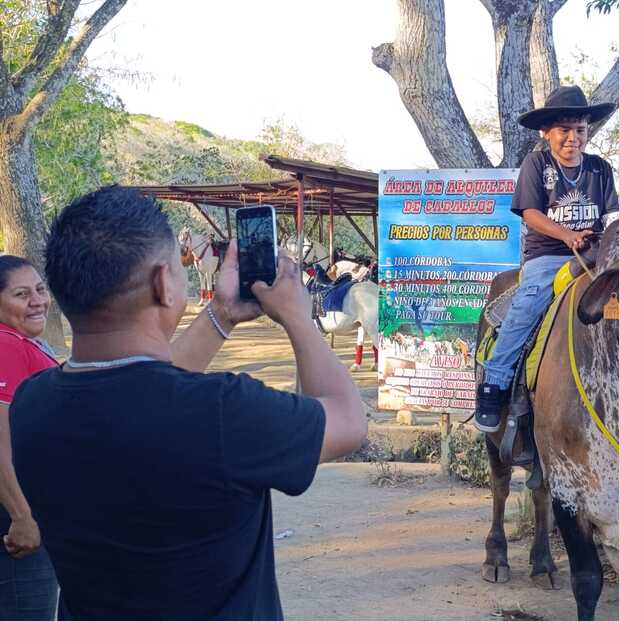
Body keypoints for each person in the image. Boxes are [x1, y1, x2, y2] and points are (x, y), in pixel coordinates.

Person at [9, 186, 367, 620]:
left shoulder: (32, 405)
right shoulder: (225, 411)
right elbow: (348, 420)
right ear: (163, 283)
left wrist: (223, 314)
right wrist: (296, 314)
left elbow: (142, 388)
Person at [475, 85, 619, 433]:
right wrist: (567, 235)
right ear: (547, 133)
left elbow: (613, 213)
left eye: (580, 130)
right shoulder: (537, 164)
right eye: (564, 131)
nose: (573, 138)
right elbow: (530, 213)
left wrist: (618, 233)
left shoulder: (600, 169)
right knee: (528, 305)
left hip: (595, 255)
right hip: (549, 257)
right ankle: (494, 384)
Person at [0, 256, 59, 620]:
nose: (37, 300)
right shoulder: (5, 346)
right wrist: (21, 516)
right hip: (15, 520)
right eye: (22, 294)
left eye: (40, 289)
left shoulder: (17, 342)